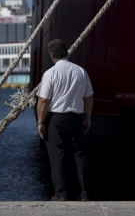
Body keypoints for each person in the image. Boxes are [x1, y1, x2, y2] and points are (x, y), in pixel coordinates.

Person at [36, 39, 93, 201]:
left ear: (52, 55)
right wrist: (87, 118)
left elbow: (43, 100)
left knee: (58, 155)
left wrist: (40, 122)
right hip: (76, 118)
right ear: (67, 53)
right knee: (79, 155)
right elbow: (89, 97)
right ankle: (84, 194)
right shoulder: (81, 72)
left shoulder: (50, 73)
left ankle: (61, 194)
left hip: (57, 119)